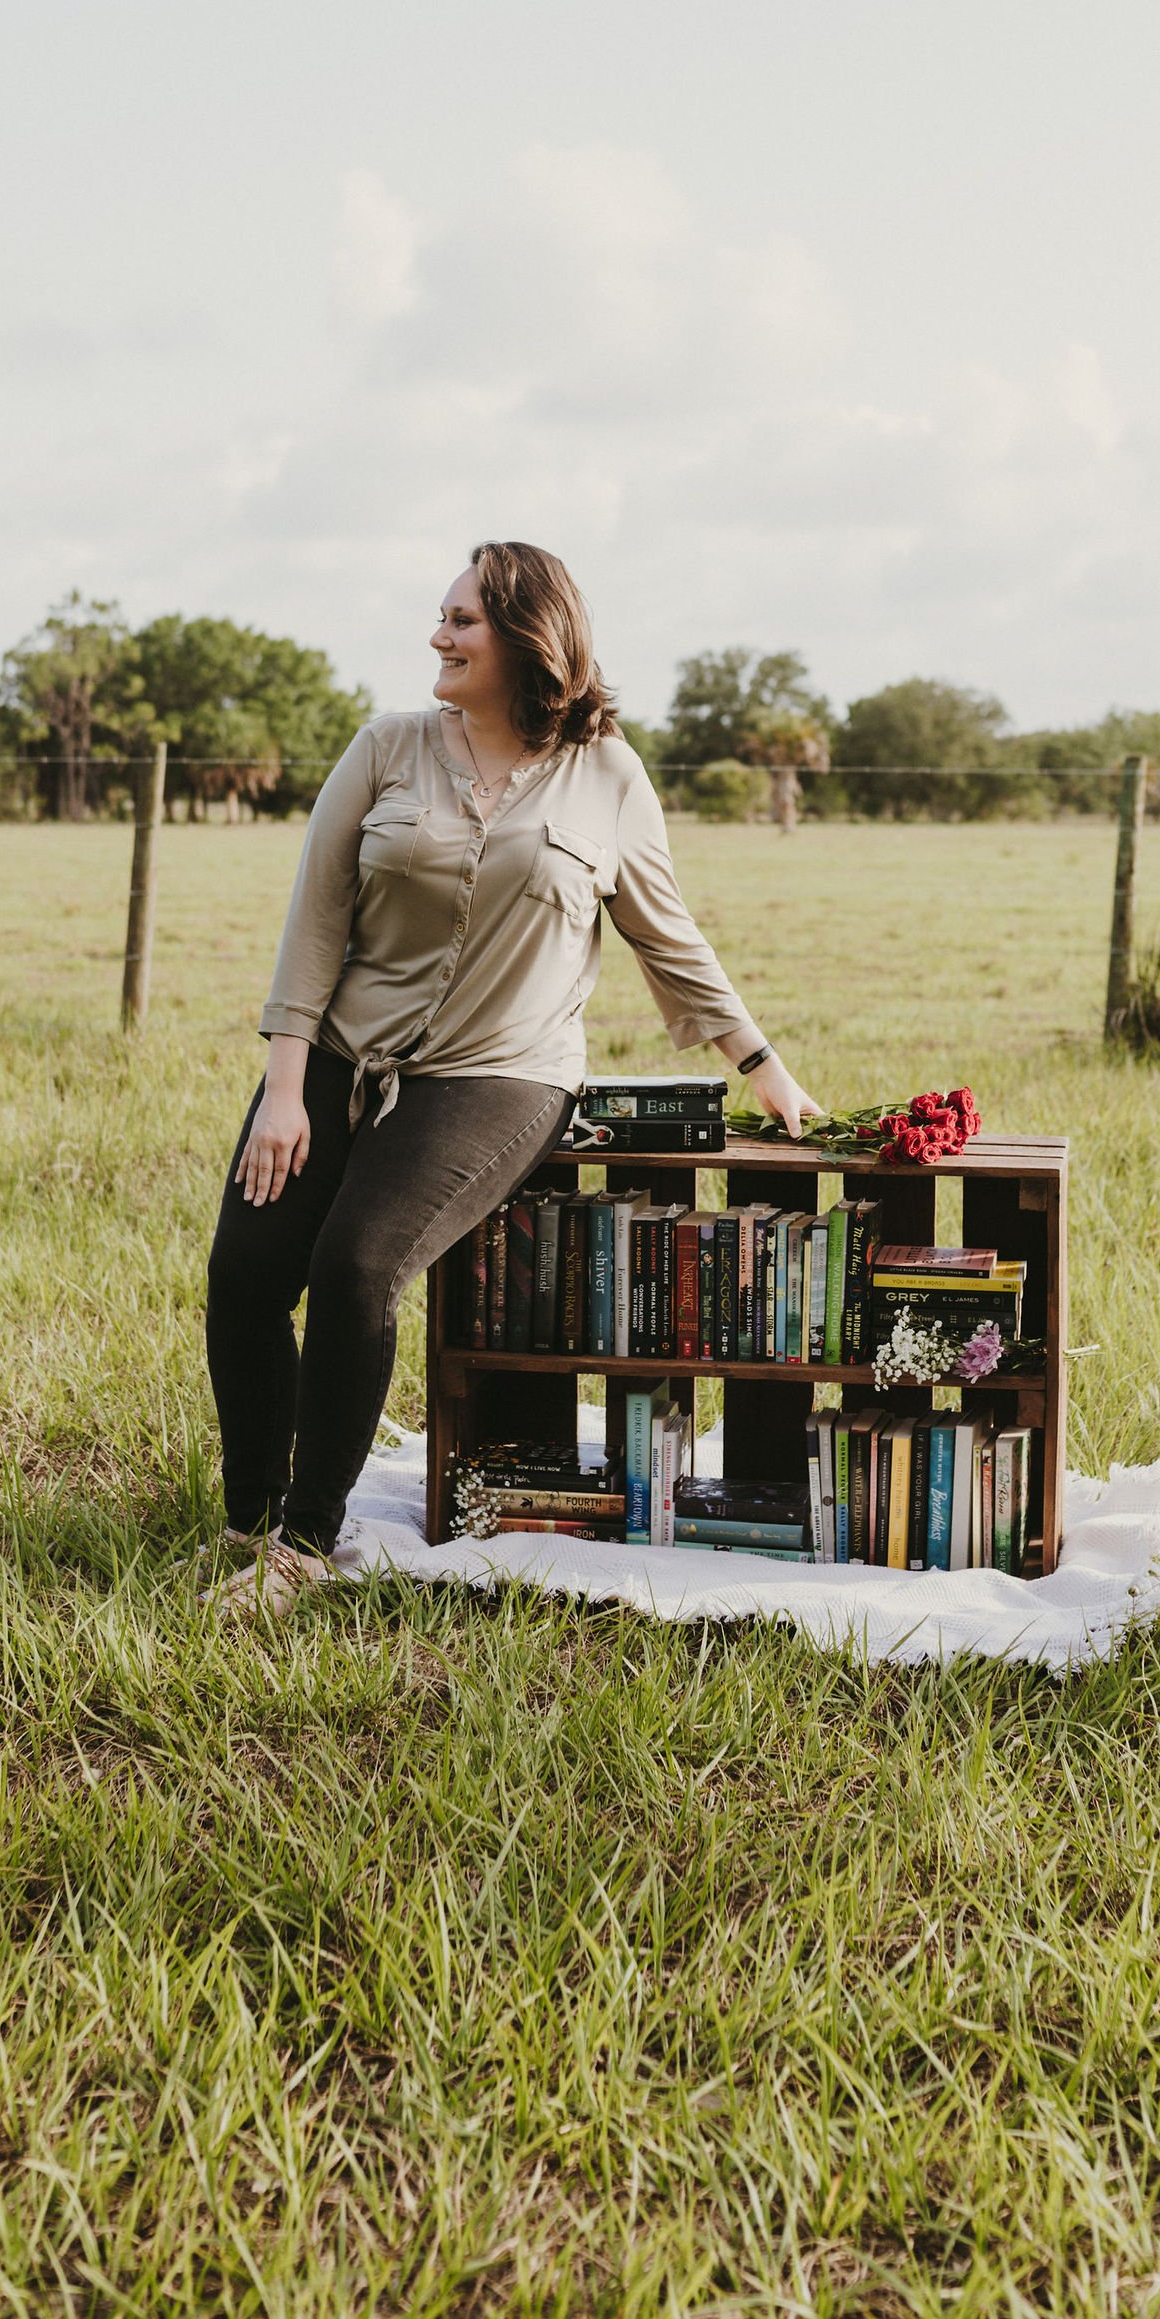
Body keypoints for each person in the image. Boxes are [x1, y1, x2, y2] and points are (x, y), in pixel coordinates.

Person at [202, 539, 821, 1613]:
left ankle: (303, 1545)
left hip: (501, 1076)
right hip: (341, 1057)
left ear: (529, 638)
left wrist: (764, 1070)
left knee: (355, 1269)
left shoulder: (607, 776)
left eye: (460, 622)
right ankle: (246, 1519)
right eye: (440, 618)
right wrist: (286, 1090)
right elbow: (314, 922)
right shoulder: (387, 746)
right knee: (248, 1276)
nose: (436, 637)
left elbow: (667, 937)